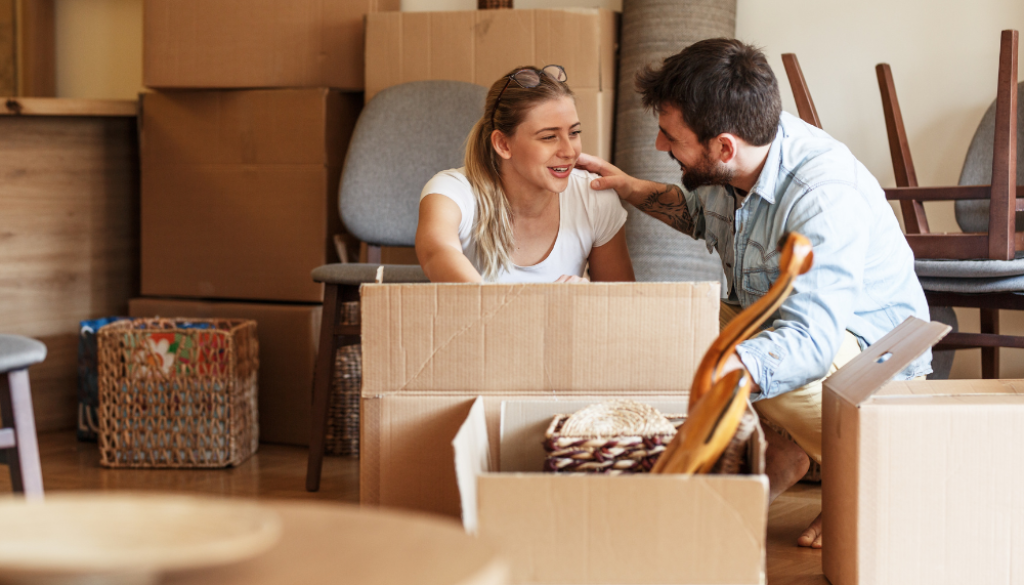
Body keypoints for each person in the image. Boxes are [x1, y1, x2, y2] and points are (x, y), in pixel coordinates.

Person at [577, 38, 931, 549]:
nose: (659, 147)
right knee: (685, 324)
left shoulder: (821, 198)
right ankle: (785, 452)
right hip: (801, 331)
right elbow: (704, 217)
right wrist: (633, 189)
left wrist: (724, 368)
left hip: (873, 363)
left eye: (669, 136)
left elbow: (809, 343)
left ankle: (870, 479)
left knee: (741, 357)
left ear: (723, 146)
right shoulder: (742, 154)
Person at [416, 65, 635, 283]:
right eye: (549, 137)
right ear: (503, 144)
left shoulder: (595, 198)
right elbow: (437, 252)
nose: (569, 151)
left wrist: (587, 302)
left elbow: (623, 308)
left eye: (574, 132)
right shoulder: (451, 191)